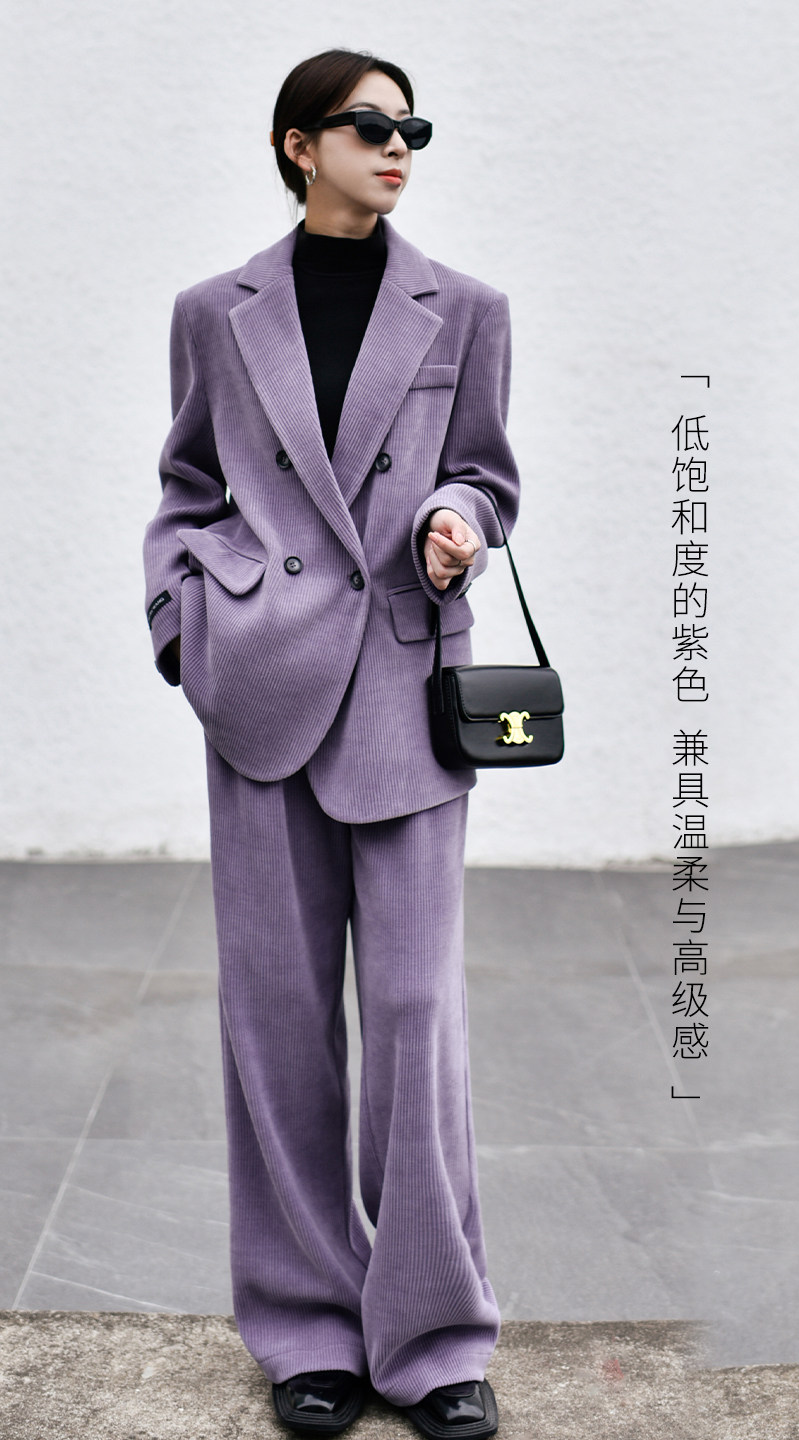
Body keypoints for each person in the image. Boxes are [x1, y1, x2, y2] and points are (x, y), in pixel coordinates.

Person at [141, 48, 518, 1440]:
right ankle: (306, 1326)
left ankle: (433, 1336)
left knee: (417, 1020)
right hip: (259, 692)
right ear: (301, 144)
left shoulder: (465, 308)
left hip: (408, 690)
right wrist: (184, 625)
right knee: (279, 1024)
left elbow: (489, 470)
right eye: (369, 124)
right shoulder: (216, 312)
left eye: (412, 124)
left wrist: (463, 519)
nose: (398, 143)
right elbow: (188, 486)